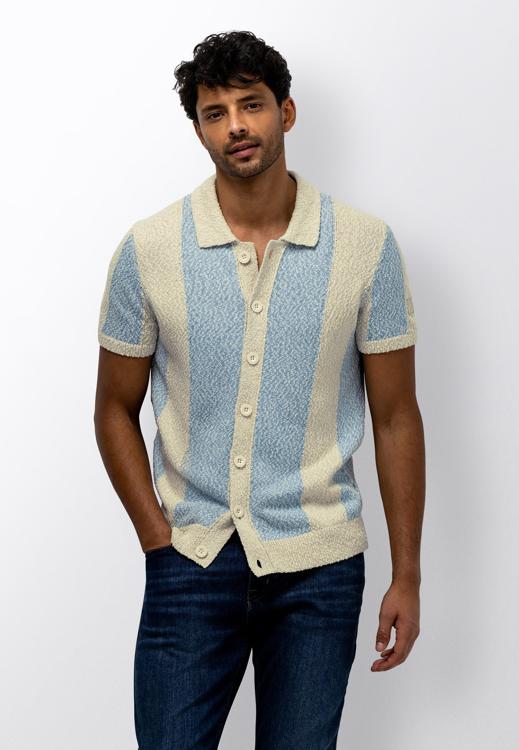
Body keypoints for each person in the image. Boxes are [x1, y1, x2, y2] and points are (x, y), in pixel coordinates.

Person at [94, 29, 425, 750]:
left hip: (320, 570)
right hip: (191, 560)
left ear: (286, 112)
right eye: (215, 113)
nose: (236, 126)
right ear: (199, 131)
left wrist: (407, 575)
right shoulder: (149, 250)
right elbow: (113, 408)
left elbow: (396, 416)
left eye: (251, 105)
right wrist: (157, 537)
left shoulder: (365, 246)